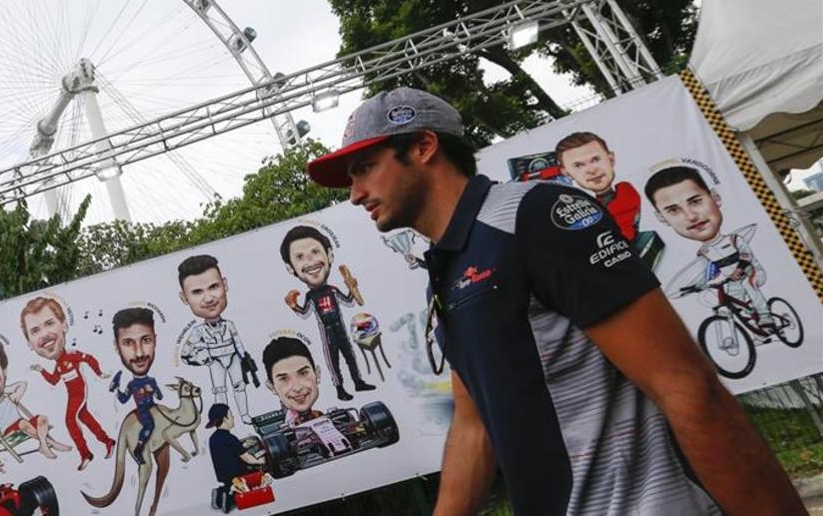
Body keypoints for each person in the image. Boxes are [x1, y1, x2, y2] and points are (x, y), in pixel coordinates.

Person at [305, 86, 804, 515]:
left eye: (365, 168)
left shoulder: (537, 214)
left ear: (424, 146)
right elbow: (473, 425)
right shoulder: (447, 265)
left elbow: (689, 387)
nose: (355, 193)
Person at [644, 165, 775, 330]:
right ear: (662, 218)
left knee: (749, 286)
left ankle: (766, 317)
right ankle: (756, 332)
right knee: (734, 302)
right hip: (732, 281)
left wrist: (738, 270)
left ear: (715, 197)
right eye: (674, 210)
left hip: (751, 273)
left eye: (696, 201)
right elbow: (707, 272)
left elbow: (746, 257)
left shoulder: (735, 239)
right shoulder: (703, 252)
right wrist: (696, 286)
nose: (691, 216)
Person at [280, 226, 375, 402]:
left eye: (315, 252)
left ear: (329, 255)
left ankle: (358, 381)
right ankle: (340, 388)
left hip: (340, 327)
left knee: (350, 356)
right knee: (333, 362)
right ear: (291, 267)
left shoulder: (332, 289)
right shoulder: (310, 295)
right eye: (299, 257)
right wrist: (294, 305)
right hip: (327, 330)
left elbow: (348, 301)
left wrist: (352, 287)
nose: (309, 260)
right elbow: (305, 313)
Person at [22, 296, 115, 471]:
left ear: (64, 326)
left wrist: (100, 373)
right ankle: (108, 441)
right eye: (35, 331)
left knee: (70, 421)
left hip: (79, 393)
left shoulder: (71, 355)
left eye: (49, 324)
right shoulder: (58, 364)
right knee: (85, 417)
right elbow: (54, 380)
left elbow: (90, 359)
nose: (43, 334)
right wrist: (41, 370)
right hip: (72, 395)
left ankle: (85, 453)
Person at [177, 254, 257, 424]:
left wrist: (244, 358)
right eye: (197, 292)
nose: (208, 298)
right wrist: (201, 357)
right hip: (215, 361)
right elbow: (185, 354)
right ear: (184, 298)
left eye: (213, 287)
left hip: (233, 357)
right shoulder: (198, 331)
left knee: (239, 386)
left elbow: (238, 343)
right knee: (219, 390)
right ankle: (222, 420)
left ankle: (244, 415)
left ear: (225, 285)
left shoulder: (229, 324)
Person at [0, 337, 70, 459]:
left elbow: (22, 384)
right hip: (10, 430)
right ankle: (50, 443)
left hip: (23, 425)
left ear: (4, 371)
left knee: (42, 419)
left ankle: (44, 445)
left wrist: (13, 393)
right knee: (23, 423)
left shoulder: (5, 393)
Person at [261, 336, 350, 456]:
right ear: (272, 386)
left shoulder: (333, 417)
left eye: (303, 373)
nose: (297, 387)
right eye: (284, 379)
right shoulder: (281, 436)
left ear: (317, 373)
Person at [555, 131, 642, 241]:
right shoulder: (570, 210)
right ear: (566, 172)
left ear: (611, 159)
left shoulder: (628, 192)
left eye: (595, 159)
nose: (591, 170)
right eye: (578, 165)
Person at [108, 307, 162, 465]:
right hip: (144, 410)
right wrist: (116, 390)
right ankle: (139, 447)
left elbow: (160, 396)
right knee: (149, 425)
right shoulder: (132, 384)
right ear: (116, 347)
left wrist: (154, 392)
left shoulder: (151, 381)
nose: (139, 353)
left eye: (146, 340)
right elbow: (124, 399)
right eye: (128, 343)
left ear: (155, 340)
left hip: (154, 407)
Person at [205, 403, 266, 494]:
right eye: (231, 415)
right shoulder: (230, 438)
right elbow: (247, 458)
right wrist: (260, 461)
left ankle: (225, 491)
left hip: (225, 477)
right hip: (239, 475)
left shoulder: (213, 438)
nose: (233, 417)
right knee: (263, 473)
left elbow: (224, 453)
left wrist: (242, 446)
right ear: (225, 419)